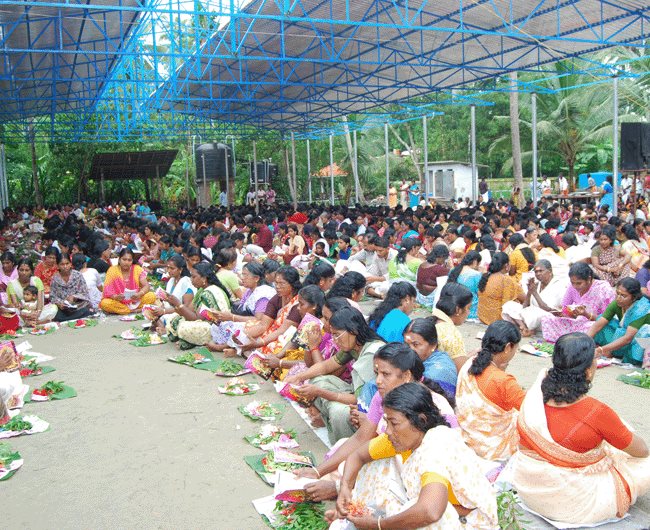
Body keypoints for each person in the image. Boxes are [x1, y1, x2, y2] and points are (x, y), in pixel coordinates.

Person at [507, 333, 650, 525]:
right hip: (575, 504)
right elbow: (642, 451)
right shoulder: (597, 412)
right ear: (588, 372)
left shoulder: (535, 395)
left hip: (530, 491)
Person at [334, 383, 498, 530]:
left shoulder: (435, 446)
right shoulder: (404, 437)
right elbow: (358, 456)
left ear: (421, 420)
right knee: (374, 466)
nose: (388, 430)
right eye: (387, 422)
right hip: (440, 508)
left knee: (423, 512)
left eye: (394, 423)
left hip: (469, 522)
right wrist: (345, 488)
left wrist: (379, 525)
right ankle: (364, 511)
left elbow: (431, 511)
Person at [285, 306, 385, 444]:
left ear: (354, 330)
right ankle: (326, 417)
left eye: (337, 334)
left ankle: (342, 443)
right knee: (317, 378)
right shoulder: (354, 344)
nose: (335, 340)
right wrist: (298, 377)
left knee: (339, 413)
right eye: (332, 335)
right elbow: (325, 366)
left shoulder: (371, 353)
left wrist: (320, 392)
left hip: (368, 408)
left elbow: (358, 400)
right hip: (354, 394)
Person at [456, 320, 524, 461]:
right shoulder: (504, 381)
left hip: (467, 436)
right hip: (493, 449)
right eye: (515, 349)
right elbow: (530, 409)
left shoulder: (470, 362)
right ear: (507, 347)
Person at [207, 261, 276, 350]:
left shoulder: (263, 294)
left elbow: (258, 320)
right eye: (242, 274)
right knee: (219, 324)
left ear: (256, 278)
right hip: (248, 320)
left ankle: (225, 346)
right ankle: (227, 344)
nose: (242, 278)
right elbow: (242, 310)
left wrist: (232, 317)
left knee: (237, 328)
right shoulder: (249, 290)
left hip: (259, 325)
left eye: (245, 275)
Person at [541, 261, 615, 343]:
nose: (575, 286)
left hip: (596, 324)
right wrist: (564, 314)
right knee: (546, 318)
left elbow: (607, 319)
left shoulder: (604, 289)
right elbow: (565, 307)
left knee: (590, 327)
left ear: (589, 279)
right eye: (573, 283)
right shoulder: (572, 287)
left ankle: (575, 342)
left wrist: (586, 314)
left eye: (579, 283)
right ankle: (566, 341)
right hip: (577, 322)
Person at [165, 262, 231, 349]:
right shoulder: (202, 289)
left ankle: (196, 342)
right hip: (207, 324)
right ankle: (191, 341)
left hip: (217, 329)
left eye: (194, 277)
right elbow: (190, 310)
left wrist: (178, 304)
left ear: (204, 278)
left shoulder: (208, 293)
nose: (191, 280)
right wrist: (176, 305)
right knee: (174, 318)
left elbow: (196, 318)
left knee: (182, 327)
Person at [587, 277, 650, 365]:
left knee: (629, 332)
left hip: (638, 341)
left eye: (623, 296)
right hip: (625, 337)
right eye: (617, 294)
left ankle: (626, 357)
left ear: (634, 297)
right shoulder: (617, 303)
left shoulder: (641, 309)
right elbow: (599, 324)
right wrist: (584, 341)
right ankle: (611, 351)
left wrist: (601, 349)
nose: (618, 298)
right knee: (602, 321)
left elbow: (627, 339)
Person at [501, 259, 566, 336]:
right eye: (536, 272)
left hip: (546, 318)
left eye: (541, 271)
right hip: (530, 315)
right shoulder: (536, 284)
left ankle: (524, 328)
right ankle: (524, 328)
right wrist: (529, 291)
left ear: (550, 271)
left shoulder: (558, 285)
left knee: (536, 314)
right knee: (508, 305)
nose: (538, 274)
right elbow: (525, 306)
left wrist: (534, 293)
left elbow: (548, 309)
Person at [404, 317, 457, 397]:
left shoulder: (435, 373)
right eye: (406, 344)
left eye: (416, 344)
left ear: (433, 345)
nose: (410, 349)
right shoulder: (421, 359)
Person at [99, 248, 157, 315]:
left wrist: (139, 294)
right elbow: (107, 290)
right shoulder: (112, 270)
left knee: (152, 296)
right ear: (119, 259)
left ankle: (125, 310)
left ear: (132, 261)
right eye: (124, 259)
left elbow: (146, 286)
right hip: (118, 302)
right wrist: (115, 297)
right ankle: (132, 310)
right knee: (104, 303)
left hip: (135, 300)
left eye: (129, 260)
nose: (126, 262)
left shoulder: (137, 269)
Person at [148, 255, 195, 331]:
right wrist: (160, 308)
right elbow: (166, 301)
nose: (169, 271)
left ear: (180, 269)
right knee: (154, 315)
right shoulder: (171, 280)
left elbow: (186, 308)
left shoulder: (186, 282)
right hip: (168, 312)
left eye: (172, 268)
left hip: (180, 313)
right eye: (168, 267)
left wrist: (164, 311)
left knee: (173, 320)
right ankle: (163, 328)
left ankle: (165, 329)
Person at [432, 282, 472, 371]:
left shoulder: (430, 321)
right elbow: (461, 371)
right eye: (468, 308)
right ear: (458, 310)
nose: (468, 312)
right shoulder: (451, 334)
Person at [477, 252, 524, 325]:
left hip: (482, 317)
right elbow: (507, 304)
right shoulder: (506, 279)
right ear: (506, 265)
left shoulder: (486, 276)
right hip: (497, 319)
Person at [6, 258, 57, 325]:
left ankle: (34, 321)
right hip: (21, 313)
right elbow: (16, 305)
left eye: (27, 270)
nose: (24, 273)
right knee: (11, 313)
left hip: (36, 311)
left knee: (53, 308)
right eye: (21, 270)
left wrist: (37, 314)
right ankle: (35, 322)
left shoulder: (36, 281)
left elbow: (40, 301)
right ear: (17, 270)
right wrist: (25, 315)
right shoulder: (12, 284)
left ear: (31, 271)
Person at [49, 253, 93, 322]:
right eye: (62, 264)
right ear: (57, 266)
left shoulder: (78, 275)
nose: (65, 266)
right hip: (63, 309)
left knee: (85, 311)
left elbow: (85, 293)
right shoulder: (55, 279)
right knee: (55, 314)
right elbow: (53, 296)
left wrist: (74, 297)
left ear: (70, 264)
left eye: (67, 263)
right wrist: (60, 303)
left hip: (78, 307)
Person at [447, 250, 481, 320]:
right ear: (475, 262)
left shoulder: (453, 271)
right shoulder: (477, 275)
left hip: (454, 309)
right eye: (478, 264)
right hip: (470, 312)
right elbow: (480, 294)